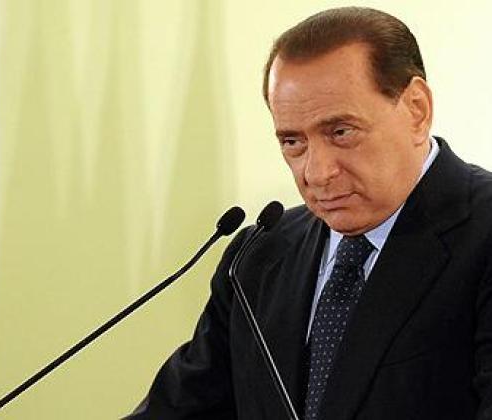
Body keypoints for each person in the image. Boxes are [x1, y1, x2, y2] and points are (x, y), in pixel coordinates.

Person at [126, 7, 492, 420]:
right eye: (292, 142)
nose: (317, 172)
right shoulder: (257, 256)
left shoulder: (482, 235)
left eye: (340, 132)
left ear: (416, 109)